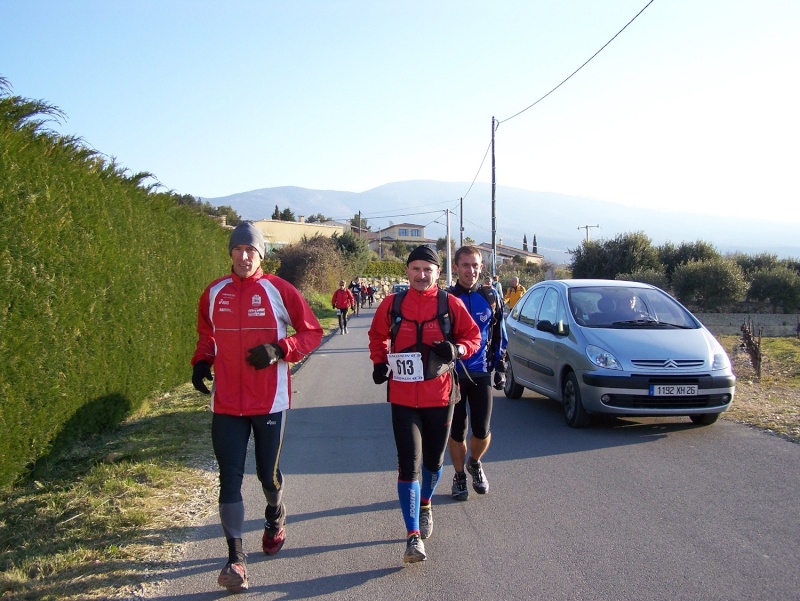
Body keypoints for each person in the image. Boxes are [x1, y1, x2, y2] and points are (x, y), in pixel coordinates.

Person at [191, 222, 323, 593]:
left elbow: (311, 332)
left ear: (261, 254)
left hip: (270, 401)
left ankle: (274, 515)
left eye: (252, 250)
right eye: (238, 249)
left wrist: (280, 350)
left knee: (268, 475)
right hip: (228, 402)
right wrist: (201, 362)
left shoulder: (279, 290)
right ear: (231, 253)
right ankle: (235, 560)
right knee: (228, 478)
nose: (244, 256)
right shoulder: (214, 292)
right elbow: (207, 336)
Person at [368, 245, 481, 564]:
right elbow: (377, 336)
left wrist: (456, 350)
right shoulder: (392, 304)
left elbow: (473, 338)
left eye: (427, 270)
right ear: (407, 271)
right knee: (409, 463)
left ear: (437, 273)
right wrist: (379, 361)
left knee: (433, 462)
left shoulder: (450, 304)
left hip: (441, 396)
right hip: (403, 398)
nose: (421, 275)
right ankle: (412, 535)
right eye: (415, 269)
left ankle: (427, 503)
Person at [448, 246, 508, 501]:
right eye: (465, 265)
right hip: (454, 374)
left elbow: (498, 333)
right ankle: (460, 475)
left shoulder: (491, 296)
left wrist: (500, 364)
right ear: (455, 268)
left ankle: (475, 463)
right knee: (457, 431)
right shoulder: (447, 298)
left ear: (481, 267)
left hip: (481, 371)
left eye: (475, 265)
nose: (470, 271)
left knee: (482, 430)